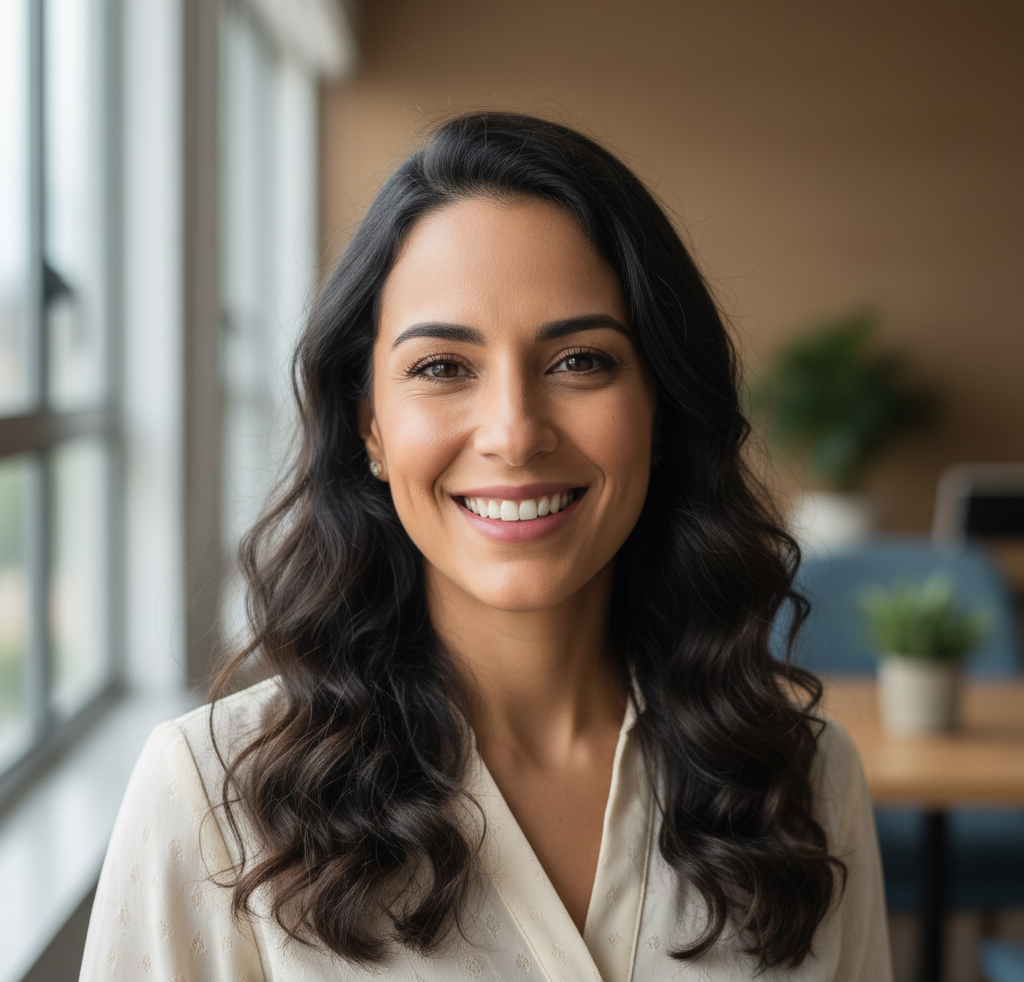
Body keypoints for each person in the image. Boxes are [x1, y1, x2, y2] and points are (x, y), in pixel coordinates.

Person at [80, 112, 891, 981]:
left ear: (660, 412)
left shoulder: (802, 779)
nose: (513, 432)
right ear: (371, 430)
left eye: (581, 360)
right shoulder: (210, 797)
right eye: (441, 367)